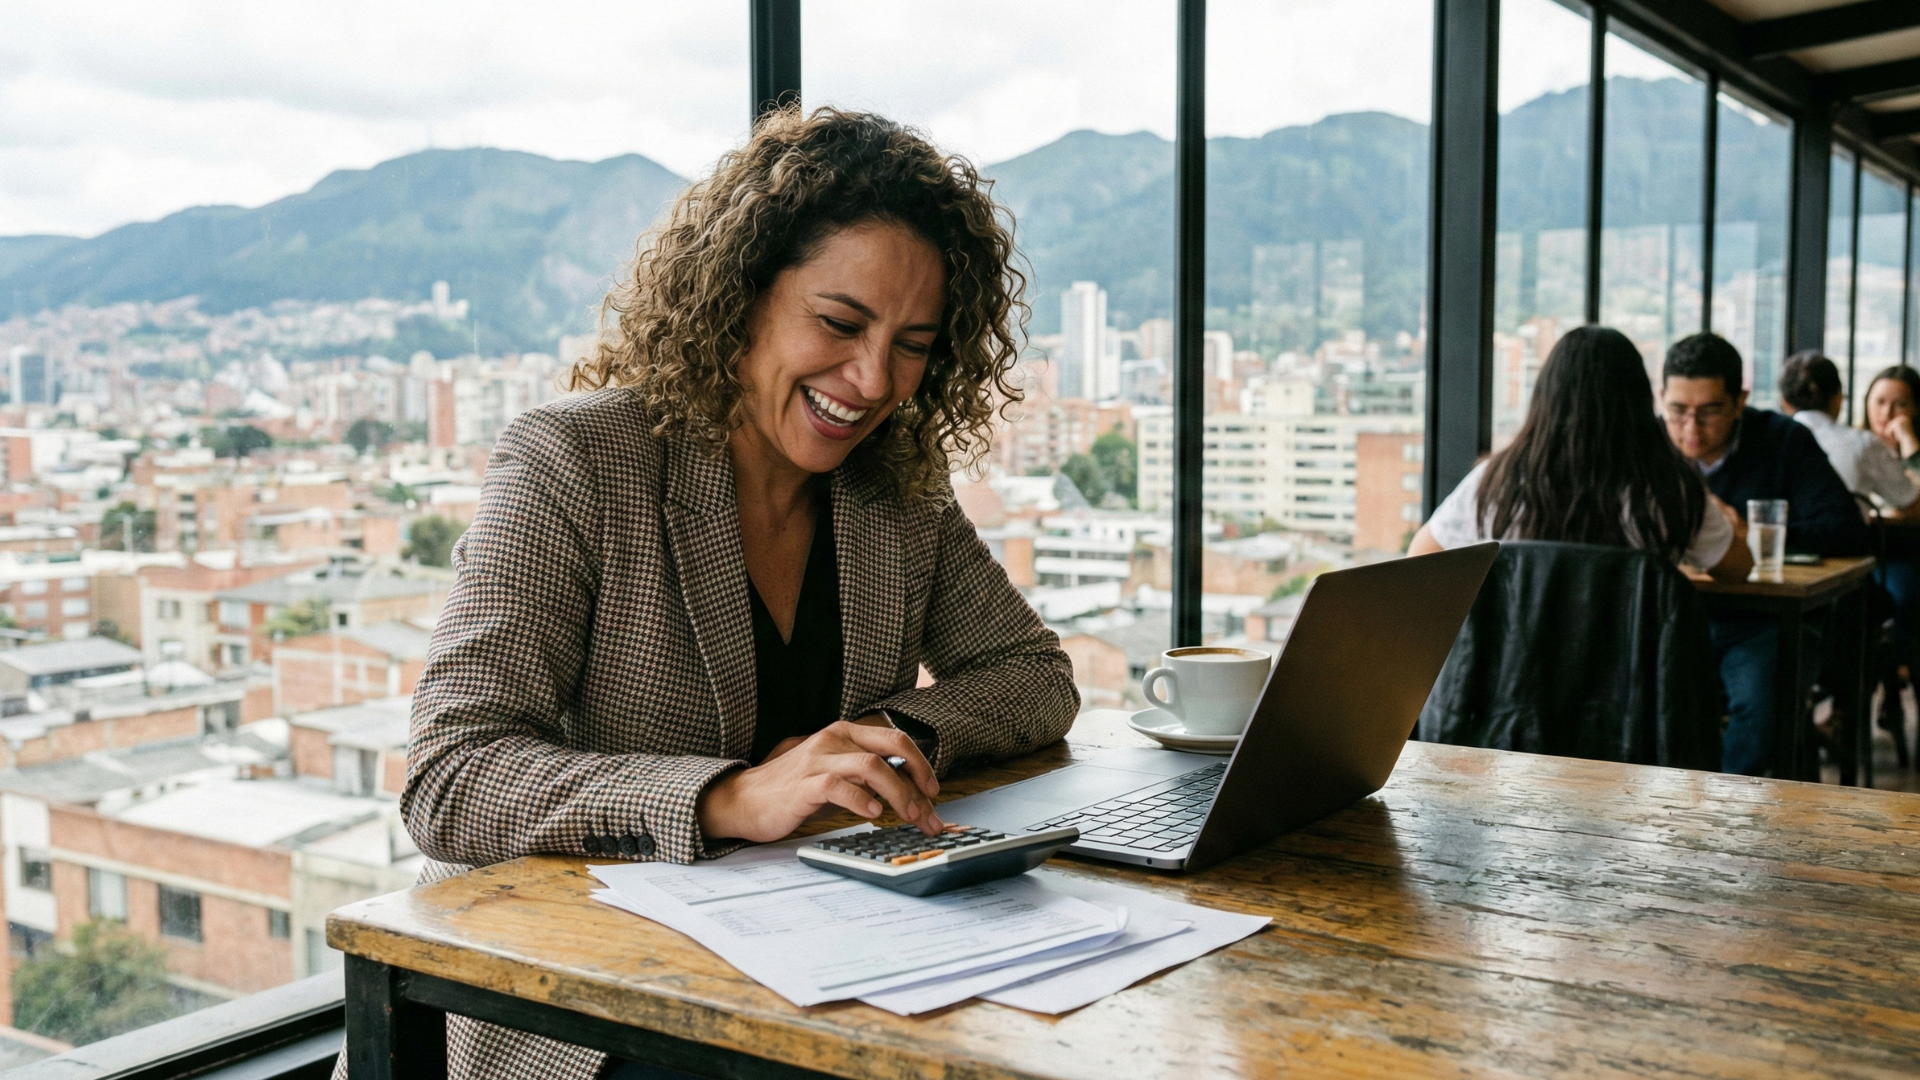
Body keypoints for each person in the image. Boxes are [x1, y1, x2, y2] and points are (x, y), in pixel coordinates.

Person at [359, 109, 1080, 1080]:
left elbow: (1032, 678)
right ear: (741, 296)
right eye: (838, 323)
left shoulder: (893, 483)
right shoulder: (575, 460)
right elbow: (451, 779)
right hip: (590, 1013)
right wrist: (732, 798)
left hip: (819, 971)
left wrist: (870, 750)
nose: (872, 381)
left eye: (913, 343)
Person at [1660, 332, 1868, 775]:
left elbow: (1846, 529)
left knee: (1762, 705)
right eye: (1678, 411)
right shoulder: (1650, 447)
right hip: (1672, 616)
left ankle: (1722, 823)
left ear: (1740, 401)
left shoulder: (1783, 441)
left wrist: (1753, 533)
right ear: (1661, 399)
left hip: (1767, 622)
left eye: (1710, 411)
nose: (1691, 429)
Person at [1409, 325, 1749, 581]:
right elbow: (1738, 569)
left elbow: (1420, 561)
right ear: (1641, 402)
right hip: (1628, 674)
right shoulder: (1670, 489)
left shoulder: (1494, 483)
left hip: (1515, 673)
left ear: (1545, 398)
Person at [1862, 364, 1920, 469]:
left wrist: (1908, 440)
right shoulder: (1853, 444)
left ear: (1916, 408)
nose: (1887, 413)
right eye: (1880, 402)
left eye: (1900, 404)